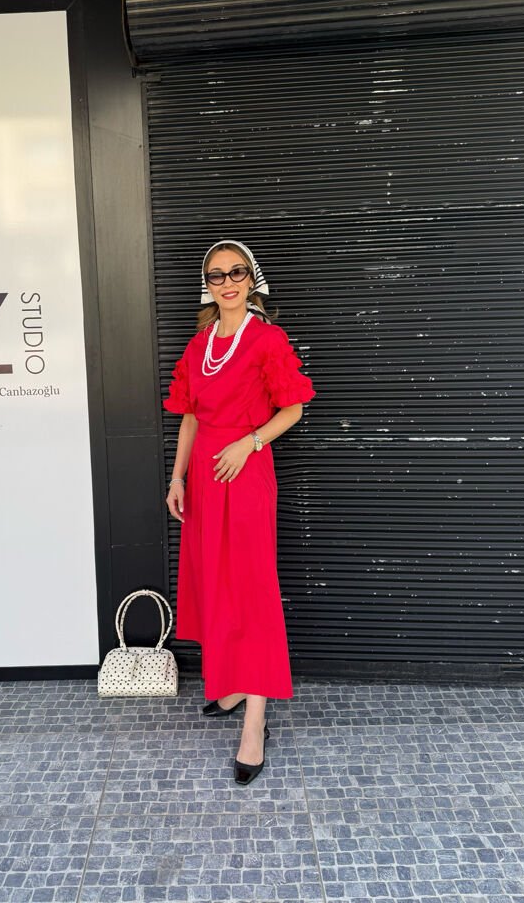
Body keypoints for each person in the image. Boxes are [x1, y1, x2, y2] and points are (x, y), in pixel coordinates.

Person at [162, 239, 316, 785]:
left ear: (252, 279)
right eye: (216, 274)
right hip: (205, 478)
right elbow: (189, 416)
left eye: (236, 272)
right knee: (214, 584)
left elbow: (293, 408)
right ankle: (229, 686)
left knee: (251, 592)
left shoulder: (267, 339)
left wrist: (249, 443)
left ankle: (255, 721)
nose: (226, 282)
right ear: (205, 284)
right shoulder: (200, 343)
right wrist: (177, 477)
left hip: (245, 473)